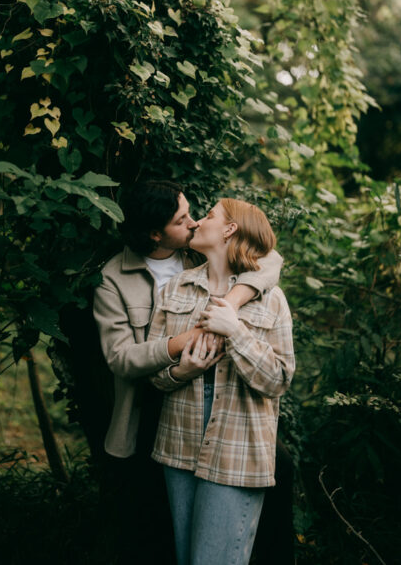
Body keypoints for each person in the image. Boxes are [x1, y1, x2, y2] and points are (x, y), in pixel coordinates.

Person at [92, 181, 285, 564]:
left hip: (230, 422)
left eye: (198, 214)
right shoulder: (115, 278)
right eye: (183, 220)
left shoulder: (197, 257)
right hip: (150, 416)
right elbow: (121, 358)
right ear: (154, 233)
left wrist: (230, 307)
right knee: (163, 542)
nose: (195, 223)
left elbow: (269, 259)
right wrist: (187, 345)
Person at [147, 198, 295, 565]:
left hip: (238, 449)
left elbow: (279, 380)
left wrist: (236, 332)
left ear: (230, 229)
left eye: (209, 216)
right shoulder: (175, 290)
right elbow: (153, 372)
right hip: (177, 446)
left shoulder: (272, 299)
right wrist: (181, 372)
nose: (196, 222)